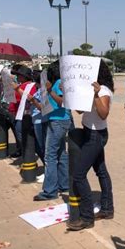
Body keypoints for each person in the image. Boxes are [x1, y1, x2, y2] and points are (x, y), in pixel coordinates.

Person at [67, 60, 115, 231]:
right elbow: (81, 111)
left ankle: (87, 217)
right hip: (89, 132)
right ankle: (107, 209)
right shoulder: (90, 88)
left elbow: (103, 114)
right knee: (101, 171)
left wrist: (95, 94)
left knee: (79, 175)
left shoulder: (103, 90)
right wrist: (74, 96)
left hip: (97, 135)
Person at [34, 60, 71, 201]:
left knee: (50, 156)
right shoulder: (59, 82)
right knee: (60, 154)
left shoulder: (60, 83)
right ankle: (64, 183)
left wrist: (49, 90)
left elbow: (62, 102)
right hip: (56, 120)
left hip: (58, 121)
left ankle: (50, 190)